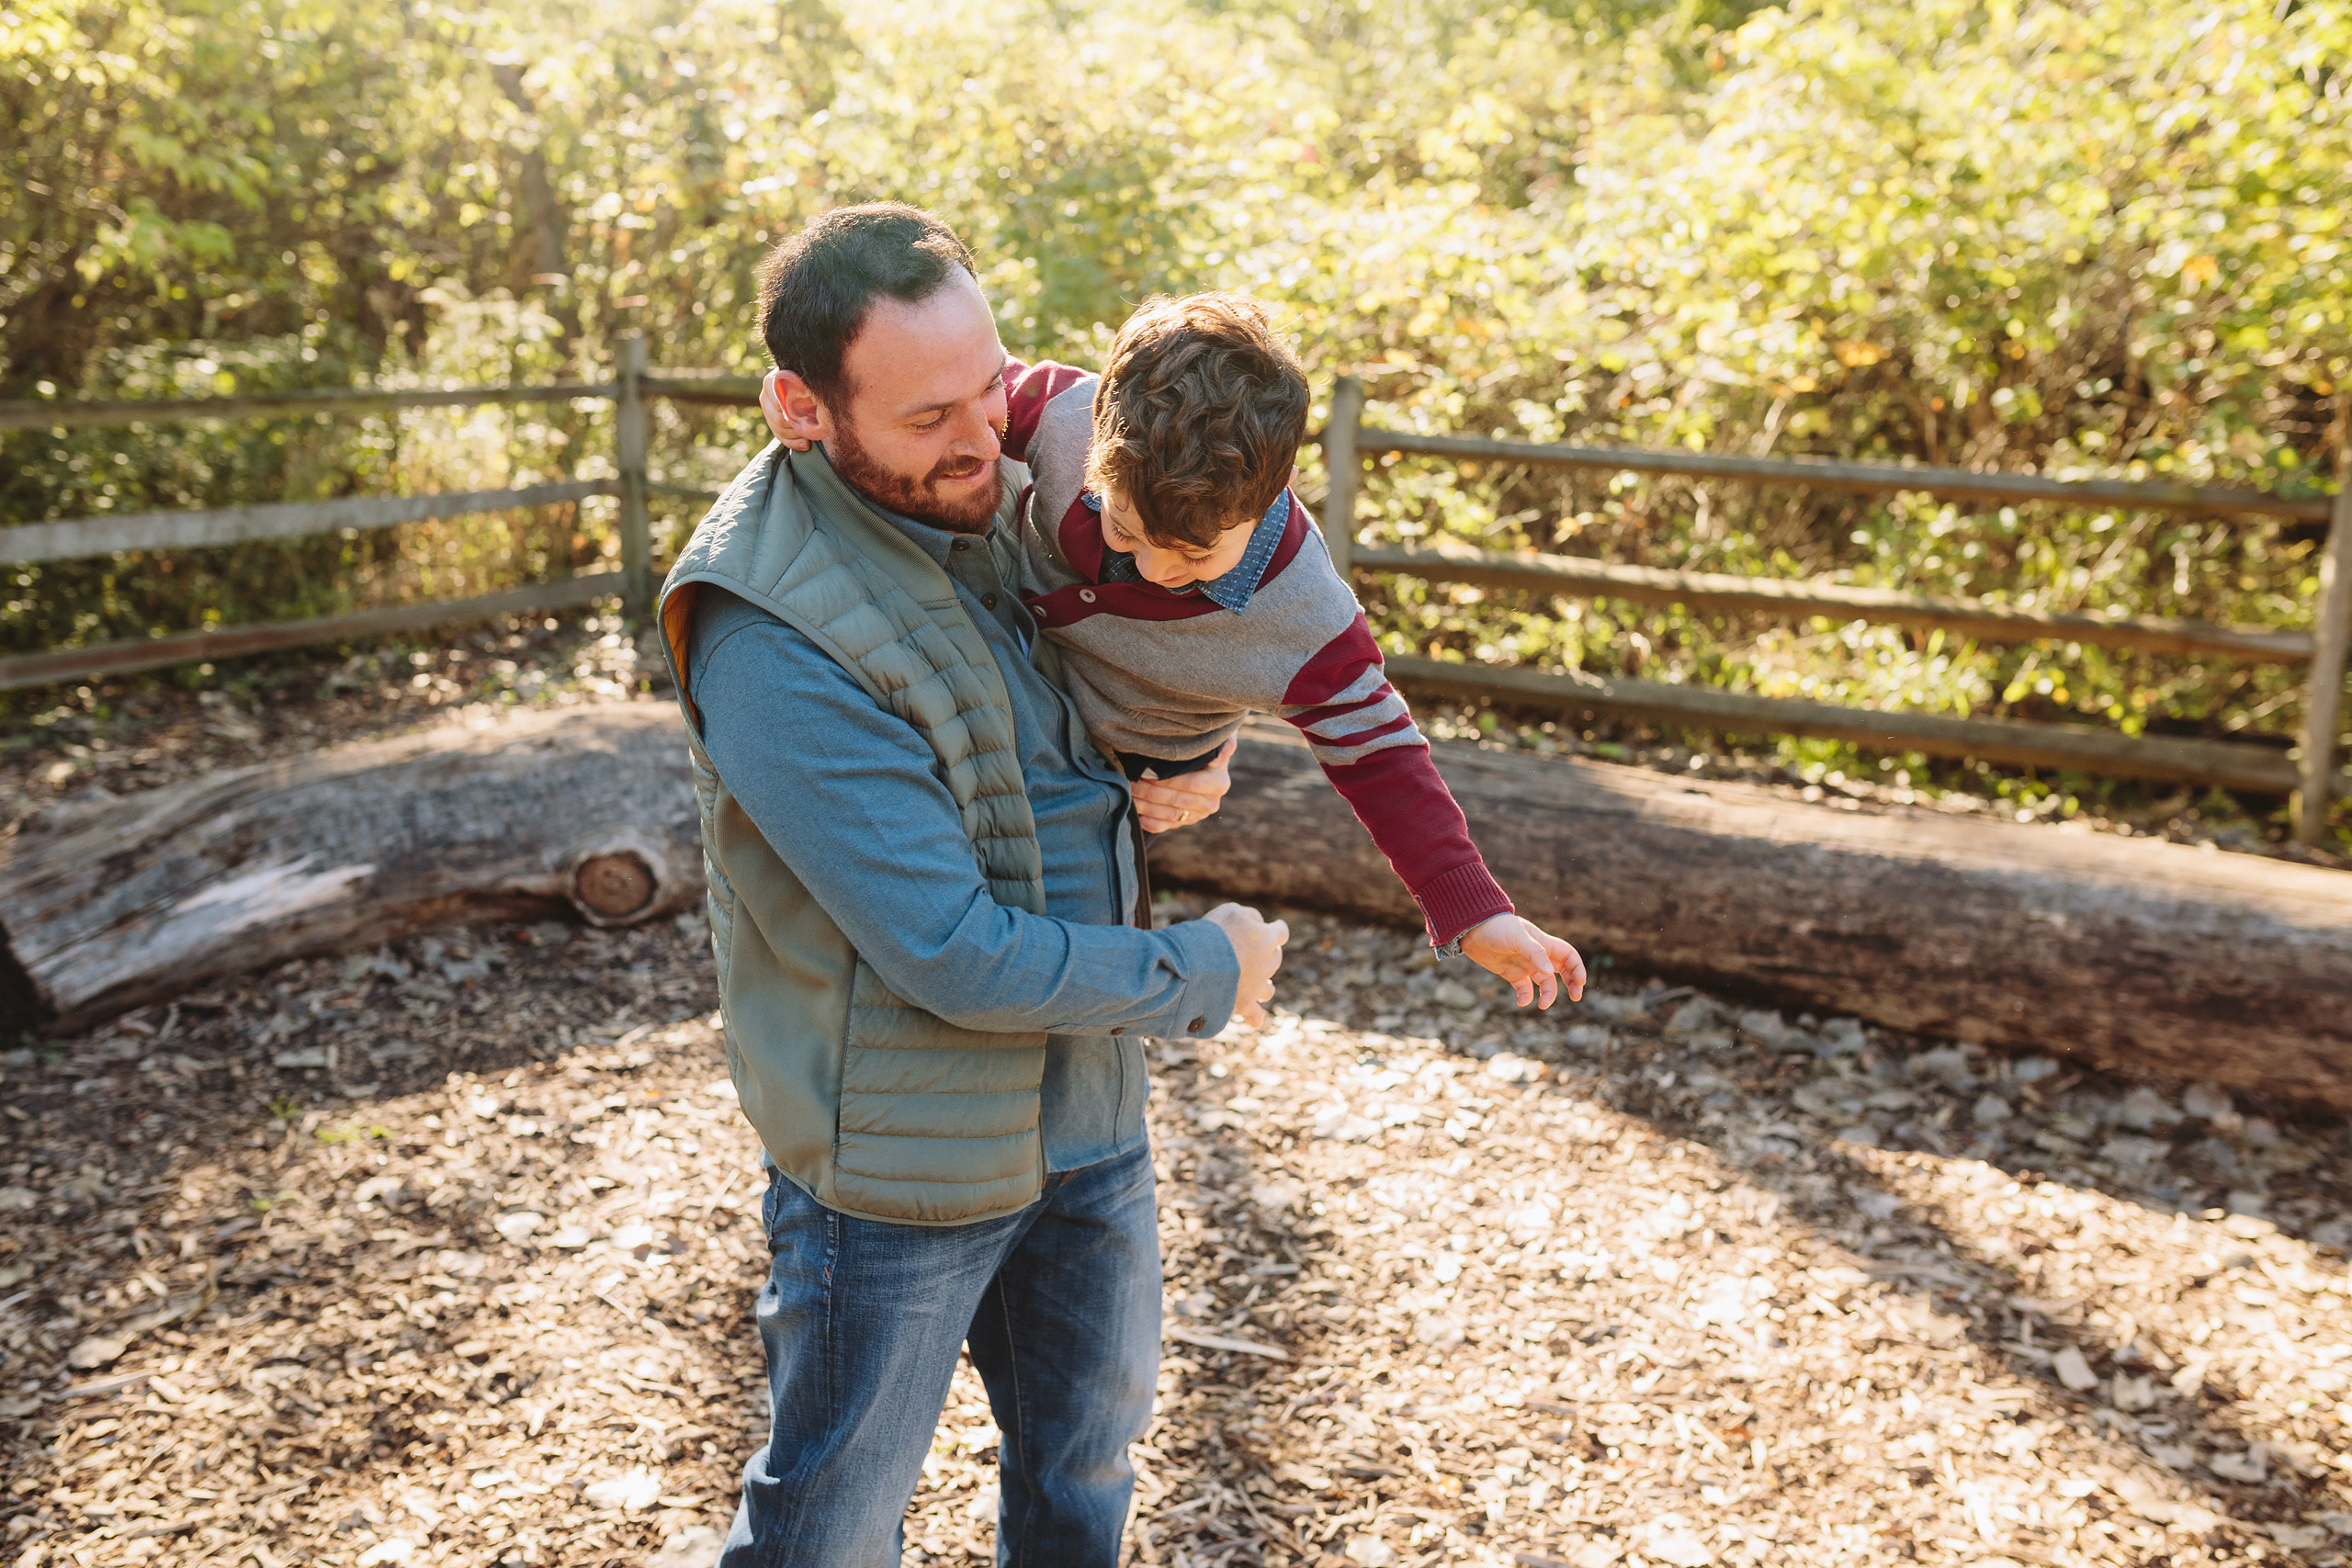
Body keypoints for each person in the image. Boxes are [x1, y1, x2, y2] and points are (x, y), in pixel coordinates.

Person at [655, 202, 1289, 1566]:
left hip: (1083, 1113)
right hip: (899, 1163)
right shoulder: (771, 630)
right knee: (826, 1525)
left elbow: (1139, 640)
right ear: (801, 408)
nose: (985, 433)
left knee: (1082, 1470)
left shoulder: (1002, 481)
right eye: (931, 412)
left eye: (993, 385)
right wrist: (1201, 970)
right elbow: (945, 946)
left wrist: (1197, 743)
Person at [766, 292, 1587, 1009]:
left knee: (1055, 963)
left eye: (1194, 558)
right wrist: (807, 414)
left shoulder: (1305, 617)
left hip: (1118, 792)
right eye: (1122, 527)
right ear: (1097, 441)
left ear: (1265, 501)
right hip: (1004, 701)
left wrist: (1473, 909)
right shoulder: (1052, 413)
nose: (1153, 570)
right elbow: (931, 398)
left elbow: (1381, 756)